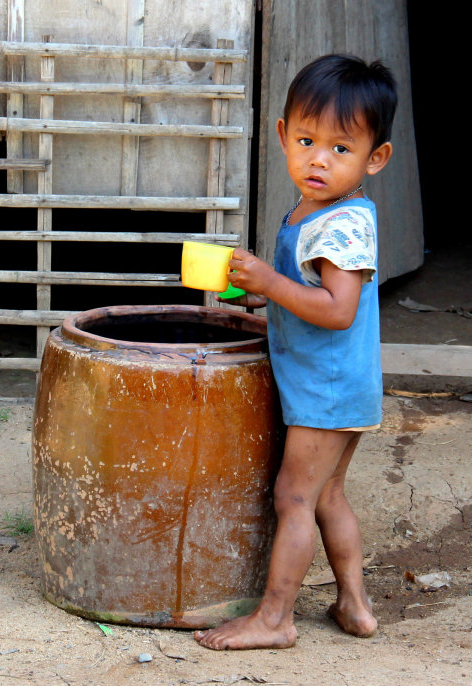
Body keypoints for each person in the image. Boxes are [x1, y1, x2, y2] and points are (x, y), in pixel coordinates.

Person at [194, 54, 397, 650]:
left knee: (296, 497)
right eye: (307, 140)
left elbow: (338, 309)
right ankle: (354, 604)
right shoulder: (314, 212)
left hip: (327, 387)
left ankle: (276, 619)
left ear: (374, 159)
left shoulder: (343, 226)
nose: (318, 159)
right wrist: (266, 303)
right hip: (335, 382)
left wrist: (269, 283)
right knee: (329, 493)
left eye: (341, 148)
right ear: (282, 135)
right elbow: (309, 295)